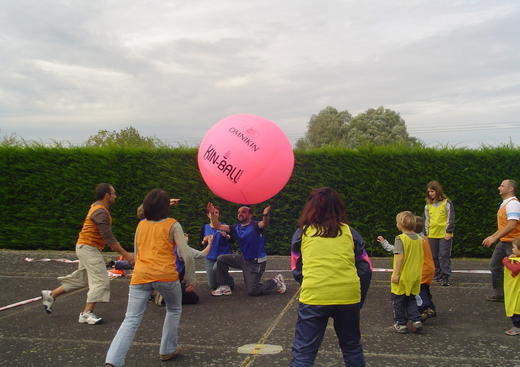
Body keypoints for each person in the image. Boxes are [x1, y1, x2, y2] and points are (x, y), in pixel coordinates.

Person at [105, 189, 195, 366]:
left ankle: (113, 361)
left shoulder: (141, 225)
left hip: (141, 275)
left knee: (131, 319)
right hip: (166, 276)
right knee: (174, 309)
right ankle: (167, 350)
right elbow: (187, 255)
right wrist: (191, 279)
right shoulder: (172, 224)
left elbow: (138, 253)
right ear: (165, 207)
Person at [290, 187, 369, 367]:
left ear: (310, 207)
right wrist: (358, 300)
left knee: (304, 352)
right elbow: (365, 269)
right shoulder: (351, 232)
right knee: (352, 348)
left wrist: (312, 282)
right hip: (348, 296)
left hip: (315, 296)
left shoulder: (302, 233)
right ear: (339, 207)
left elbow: (297, 268)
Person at [40, 183, 134, 325]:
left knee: (83, 279)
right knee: (101, 280)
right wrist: (127, 255)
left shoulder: (96, 207)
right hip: (89, 248)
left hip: (85, 247)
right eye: (113, 193)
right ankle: (86, 313)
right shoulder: (100, 212)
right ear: (107, 195)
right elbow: (109, 239)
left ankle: (51, 295)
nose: (115, 196)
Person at [207, 202, 286, 297]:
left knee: (253, 291)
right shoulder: (236, 227)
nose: (240, 214)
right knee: (221, 259)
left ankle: (276, 281)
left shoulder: (255, 226)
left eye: (243, 212)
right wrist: (212, 214)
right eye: (238, 212)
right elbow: (217, 226)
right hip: (244, 259)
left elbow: (264, 223)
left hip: (256, 263)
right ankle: (225, 286)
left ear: (250, 215)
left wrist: (265, 214)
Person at [378, 216, 436, 321]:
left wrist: (384, 243)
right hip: (428, 269)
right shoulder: (423, 239)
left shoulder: (408, 239)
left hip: (420, 270)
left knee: (417, 295)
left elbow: (396, 251)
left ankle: (424, 309)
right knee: (424, 290)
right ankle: (429, 308)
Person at [482, 179, 520, 302]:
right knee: (495, 265)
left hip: (514, 242)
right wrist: (493, 236)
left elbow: (512, 224)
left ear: (511, 189)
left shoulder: (513, 204)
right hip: (505, 241)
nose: (499, 188)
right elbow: (505, 227)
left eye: (502, 186)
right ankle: (500, 295)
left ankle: (514, 296)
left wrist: (494, 238)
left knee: (516, 269)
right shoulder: (504, 204)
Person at [389, 211, 424, 334]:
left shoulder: (400, 239)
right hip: (415, 275)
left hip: (403, 276)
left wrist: (396, 274)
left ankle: (401, 323)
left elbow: (400, 258)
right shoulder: (419, 239)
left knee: (398, 301)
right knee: (411, 299)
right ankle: (416, 319)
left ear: (400, 225)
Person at [424, 181, 455, 286]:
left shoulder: (447, 203)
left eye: (432, 191)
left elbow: (450, 218)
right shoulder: (428, 206)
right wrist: (426, 234)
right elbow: (426, 220)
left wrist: (448, 231)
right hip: (432, 234)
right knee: (433, 256)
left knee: (444, 255)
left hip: (444, 234)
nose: (430, 194)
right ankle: (437, 274)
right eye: (429, 192)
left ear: (438, 191)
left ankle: (445, 276)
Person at [199, 206, 232, 291]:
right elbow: (201, 243)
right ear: (208, 215)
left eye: (216, 212)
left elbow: (232, 239)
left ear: (219, 215)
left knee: (216, 268)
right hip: (209, 256)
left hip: (222, 256)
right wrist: (204, 240)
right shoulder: (205, 227)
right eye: (212, 213)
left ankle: (229, 282)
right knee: (212, 285)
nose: (214, 214)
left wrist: (227, 236)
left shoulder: (224, 226)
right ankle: (226, 279)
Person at [502, 237, 520, 336]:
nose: (512, 249)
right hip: (515, 290)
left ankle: (517, 327)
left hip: (517, 291)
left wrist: (506, 261)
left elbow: (515, 269)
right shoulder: (516, 259)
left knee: (516, 309)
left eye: (514, 248)